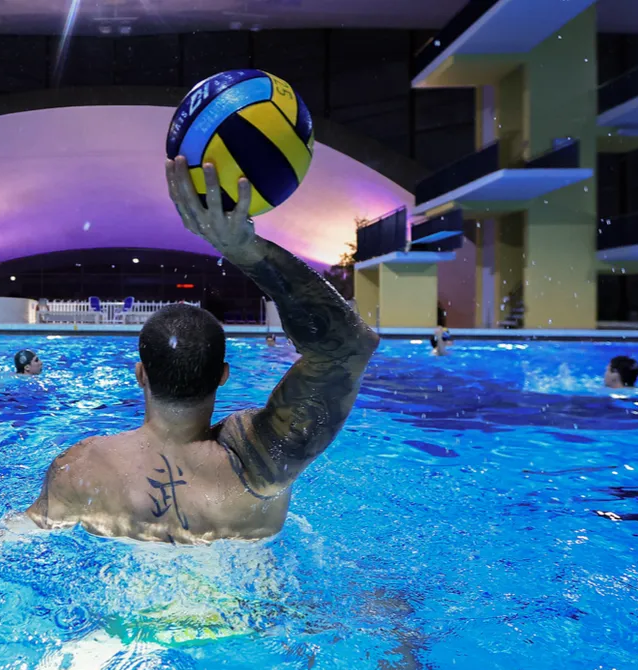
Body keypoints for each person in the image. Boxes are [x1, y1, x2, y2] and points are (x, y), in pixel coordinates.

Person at [19, 158, 378, 544]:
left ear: (140, 375)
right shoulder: (260, 462)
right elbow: (348, 346)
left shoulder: (81, 467)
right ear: (223, 375)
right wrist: (247, 251)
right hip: (244, 583)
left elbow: (13, 535)